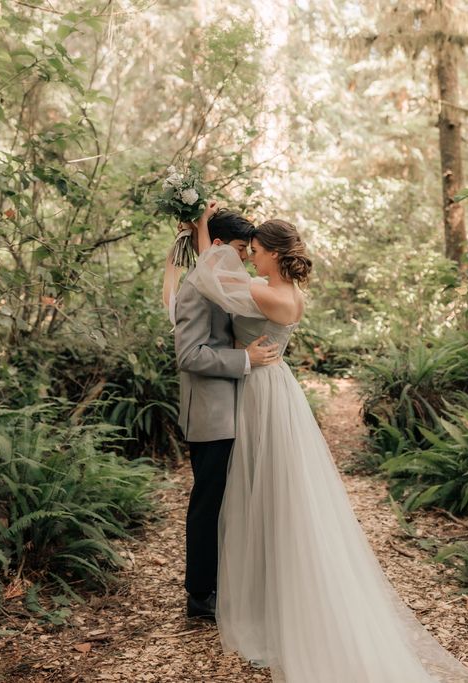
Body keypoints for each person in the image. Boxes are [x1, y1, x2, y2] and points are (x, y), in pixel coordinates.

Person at [179, 203, 468, 682]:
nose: (249, 259)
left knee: (271, 493)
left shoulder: (269, 295)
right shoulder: (285, 291)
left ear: (274, 255)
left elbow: (213, 278)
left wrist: (201, 231)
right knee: (268, 490)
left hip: (262, 391)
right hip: (271, 388)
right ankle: (263, 589)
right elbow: (218, 272)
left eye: (255, 252)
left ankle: (275, 596)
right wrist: (202, 230)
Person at [167, 208, 282, 620]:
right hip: (212, 415)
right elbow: (189, 354)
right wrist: (243, 357)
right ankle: (200, 596)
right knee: (209, 505)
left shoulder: (216, 278)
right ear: (219, 247)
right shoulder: (195, 289)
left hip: (239, 408)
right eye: (239, 249)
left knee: (235, 502)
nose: (246, 257)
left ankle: (229, 584)